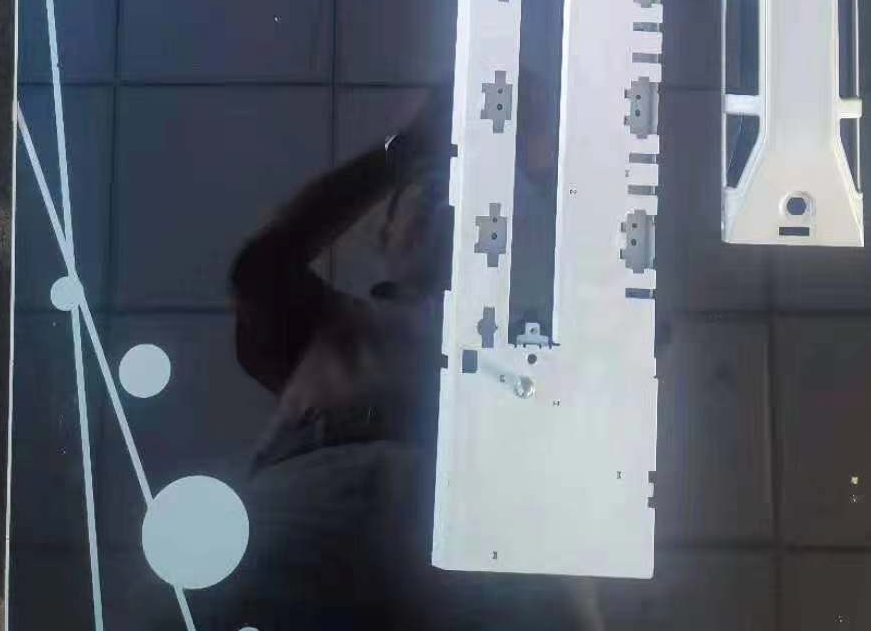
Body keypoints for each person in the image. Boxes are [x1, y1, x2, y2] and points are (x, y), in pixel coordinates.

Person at [219, 89, 602, 631]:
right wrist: (408, 147)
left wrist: (543, 171)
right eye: (432, 186)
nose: (452, 202)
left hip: (496, 532)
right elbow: (259, 269)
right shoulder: (328, 323)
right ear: (385, 235)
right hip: (320, 513)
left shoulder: (545, 342)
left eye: (479, 195)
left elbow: (623, 311)